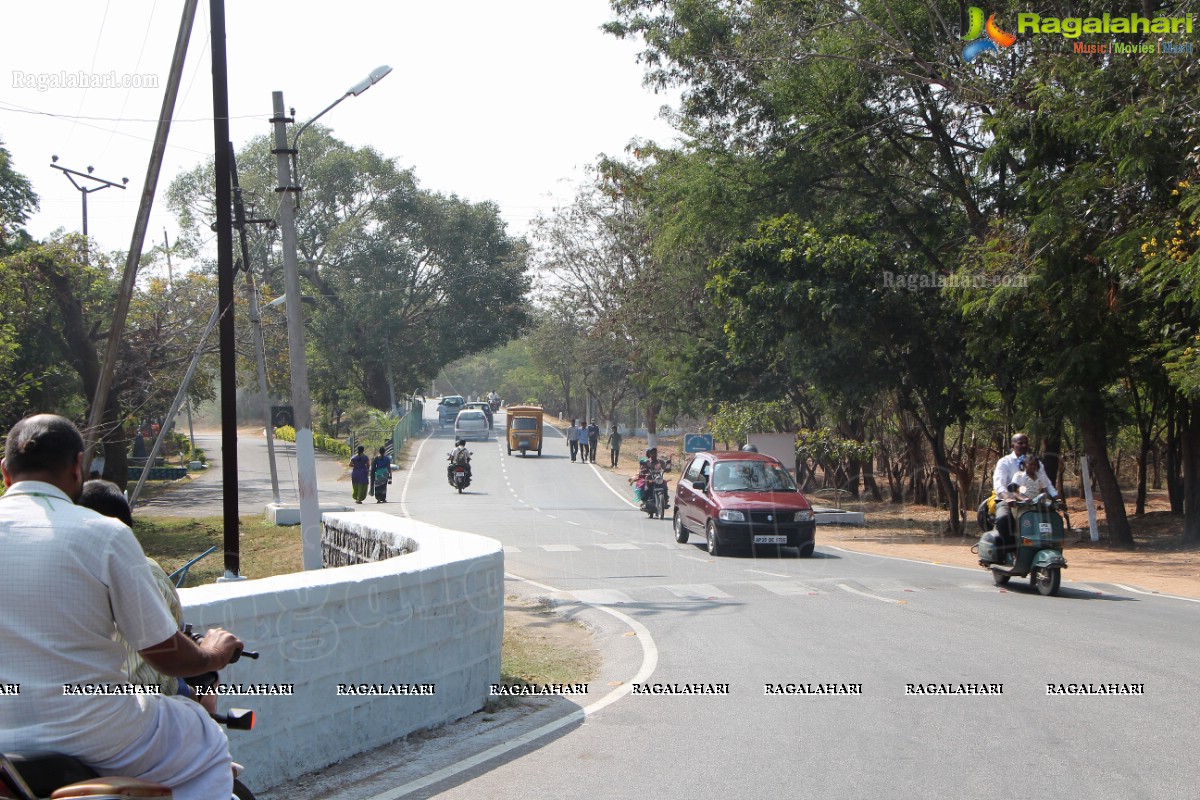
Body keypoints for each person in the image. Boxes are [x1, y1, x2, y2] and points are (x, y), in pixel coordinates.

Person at [0, 414, 242, 800]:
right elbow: (168, 657)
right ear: (78, 466)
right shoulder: (105, 534)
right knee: (204, 736)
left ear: (5, 473)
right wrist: (213, 652)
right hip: (96, 732)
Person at [76, 480, 218, 714]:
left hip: (76, 700)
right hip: (146, 699)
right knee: (207, 701)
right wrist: (213, 655)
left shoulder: (65, 570)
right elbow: (172, 646)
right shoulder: (147, 571)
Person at [992, 433, 1058, 552]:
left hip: (1034, 502)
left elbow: (1046, 483)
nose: (1023, 445)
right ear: (1013, 445)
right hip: (1009, 502)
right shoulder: (1004, 462)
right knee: (1003, 520)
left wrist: (1056, 498)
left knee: (1052, 518)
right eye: (1020, 443)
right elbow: (999, 484)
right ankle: (1010, 551)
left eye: (1026, 443)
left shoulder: (1037, 462)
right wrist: (1008, 498)